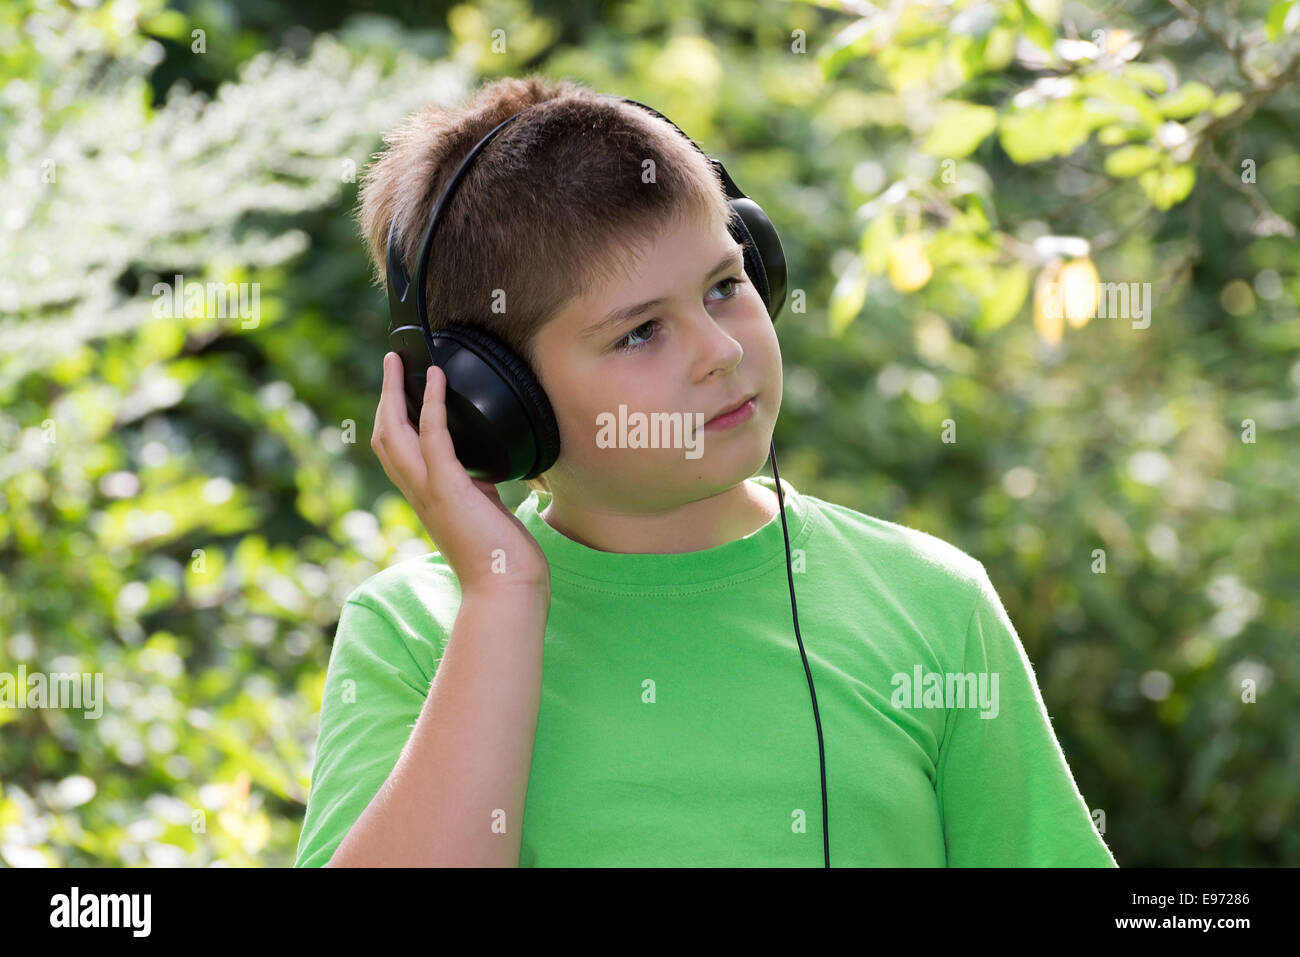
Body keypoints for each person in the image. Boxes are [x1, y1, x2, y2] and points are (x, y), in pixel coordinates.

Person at [293, 74, 1117, 868]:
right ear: (496, 401)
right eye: (641, 332)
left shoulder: (934, 603)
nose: (722, 352)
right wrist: (502, 597)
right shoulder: (413, 633)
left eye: (725, 285)